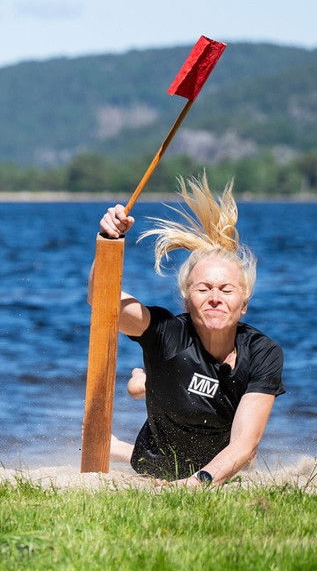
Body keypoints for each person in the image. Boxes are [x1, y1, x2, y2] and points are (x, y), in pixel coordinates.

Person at [94, 174, 285, 486]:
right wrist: (108, 241)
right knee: (169, 376)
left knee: (241, 446)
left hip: (217, 464)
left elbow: (244, 444)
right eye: (204, 289)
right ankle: (144, 384)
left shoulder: (263, 353)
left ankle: (143, 381)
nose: (215, 298)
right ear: (185, 301)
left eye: (226, 290)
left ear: (244, 304)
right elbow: (103, 302)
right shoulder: (167, 334)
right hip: (154, 460)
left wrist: (198, 483)